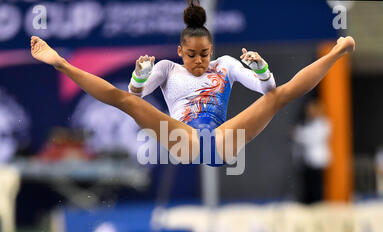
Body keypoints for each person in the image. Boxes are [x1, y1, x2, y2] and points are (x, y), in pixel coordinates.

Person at [29, 0, 355, 168]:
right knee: (126, 103)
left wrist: (261, 69)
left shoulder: (225, 65)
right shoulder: (168, 69)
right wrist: (142, 74)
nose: (198, 61)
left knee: (279, 97)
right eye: (191, 55)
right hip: (183, 141)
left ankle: (338, 50)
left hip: (222, 140)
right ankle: (61, 63)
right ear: (179, 52)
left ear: (211, 51)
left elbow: (268, 93)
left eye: (203, 55)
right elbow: (132, 96)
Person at [292, 99, 331, 204]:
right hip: (309, 159)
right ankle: (309, 202)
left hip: (318, 160)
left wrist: (297, 134)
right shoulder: (309, 123)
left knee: (316, 185)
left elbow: (312, 139)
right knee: (308, 184)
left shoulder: (323, 123)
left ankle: (317, 202)